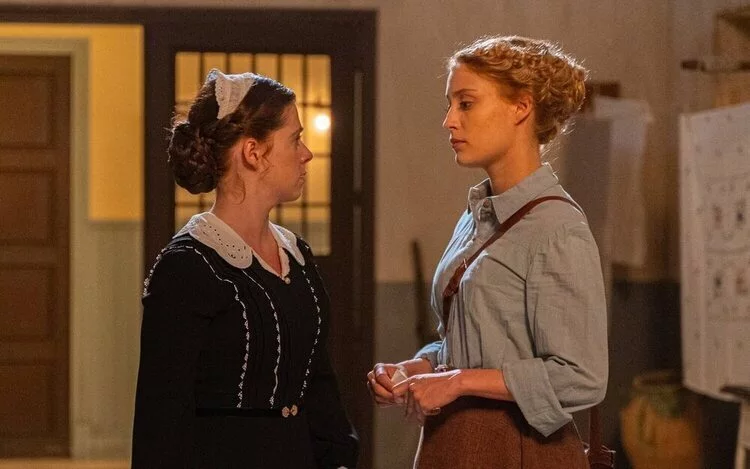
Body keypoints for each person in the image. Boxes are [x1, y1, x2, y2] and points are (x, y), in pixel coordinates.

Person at [367, 35, 608, 468]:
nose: (449, 121)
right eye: (450, 104)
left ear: (521, 107)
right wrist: (421, 367)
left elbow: (581, 376)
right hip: (452, 441)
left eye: (466, 103)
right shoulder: (477, 216)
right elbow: (479, 343)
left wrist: (459, 382)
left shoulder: (557, 227)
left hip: (517, 450)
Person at [132, 69, 358, 469]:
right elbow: (161, 419)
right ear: (253, 152)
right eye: (295, 139)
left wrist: (339, 458)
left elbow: (319, 385)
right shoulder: (188, 267)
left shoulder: (296, 255)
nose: (306, 153)